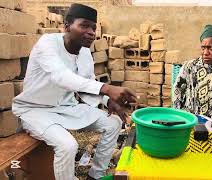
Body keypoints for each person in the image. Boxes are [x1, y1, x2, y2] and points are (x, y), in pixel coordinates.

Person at [12, 3, 136, 180]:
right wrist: (107, 88)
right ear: (67, 25)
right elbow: (61, 77)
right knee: (67, 146)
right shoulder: (47, 44)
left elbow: (85, 86)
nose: (91, 32)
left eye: (93, 27)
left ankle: (96, 175)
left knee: (113, 124)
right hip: (34, 110)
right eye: (84, 25)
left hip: (66, 107)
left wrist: (108, 101)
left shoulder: (85, 53)